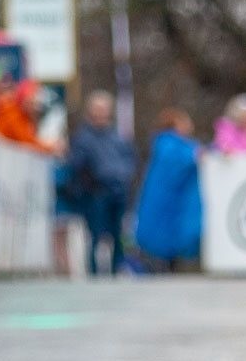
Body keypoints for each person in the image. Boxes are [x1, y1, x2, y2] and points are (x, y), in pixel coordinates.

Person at [66, 91, 137, 276]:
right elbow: (76, 164)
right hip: (96, 192)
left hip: (118, 191)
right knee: (95, 235)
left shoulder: (117, 136)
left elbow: (129, 158)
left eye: (103, 109)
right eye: (97, 109)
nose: (100, 113)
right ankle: (94, 273)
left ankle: (116, 270)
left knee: (118, 235)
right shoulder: (83, 137)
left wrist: (123, 176)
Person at [134, 108, 203, 273]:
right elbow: (184, 159)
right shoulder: (167, 144)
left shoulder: (173, 144)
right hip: (165, 202)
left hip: (170, 202)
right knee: (162, 238)